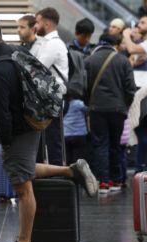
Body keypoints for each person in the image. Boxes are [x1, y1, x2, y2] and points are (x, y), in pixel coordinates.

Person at [0, 16, 98, 242]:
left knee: (22, 187)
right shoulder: (18, 52)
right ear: (0, 33)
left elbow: (1, 114)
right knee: (27, 170)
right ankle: (72, 170)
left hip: (17, 132)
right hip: (35, 122)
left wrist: (5, 142)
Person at [85, 33, 137, 193]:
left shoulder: (89, 60)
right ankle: (115, 181)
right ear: (116, 44)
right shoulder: (123, 60)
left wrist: (90, 103)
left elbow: (83, 86)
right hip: (118, 109)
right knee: (116, 145)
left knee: (100, 144)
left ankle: (103, 182)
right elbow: (130, 88)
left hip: (96, 109)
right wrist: (124, 104)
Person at [122, 15, 147, 173]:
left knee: (144, 129)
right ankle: (142, 167)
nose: (139, 25)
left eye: (143, 22)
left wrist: (127, 35)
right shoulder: (143, 42)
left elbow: (131, 50)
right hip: (138, 90)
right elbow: (131, 57)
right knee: (141, 131)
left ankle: (144, 167)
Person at [35, 7, 69, 166]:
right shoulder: (46, 43)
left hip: (51, 98)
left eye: (37, 22)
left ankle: (58, 181)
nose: (35, 26)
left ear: (46, 24)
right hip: (47, 98)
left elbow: (35, 68)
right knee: (46, 141)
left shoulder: (53, 44)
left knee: (53, 140)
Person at [64, 18, 96, 165]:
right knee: (72, 132)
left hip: (89, 96)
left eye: (89, 36)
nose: (87, 40)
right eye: (85, 36)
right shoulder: (66, 50)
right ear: (77, 33)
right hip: (72, 97)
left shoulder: (92, 51)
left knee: (88, 135)